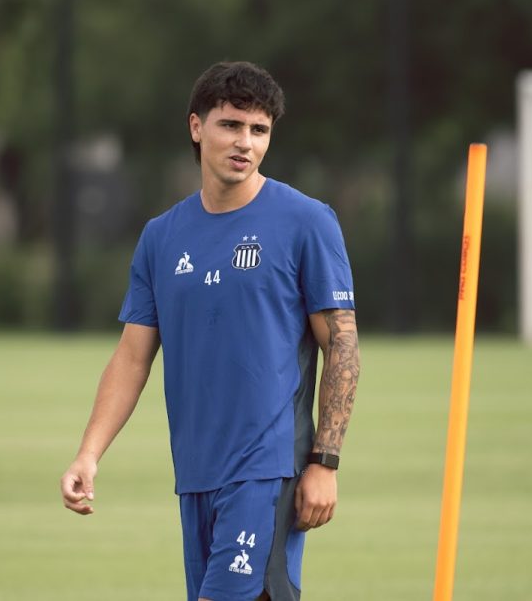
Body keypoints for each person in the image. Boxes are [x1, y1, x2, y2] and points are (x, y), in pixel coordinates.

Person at [60, 60, 361, 601]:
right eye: (231, 125)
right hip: (195, 474)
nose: (245, 142)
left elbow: (342, 346)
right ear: (197, 127)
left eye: (259, 129)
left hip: (268, 470)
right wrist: (89, 453)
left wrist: (324, 462)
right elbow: (131, 358)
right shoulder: (160, 237)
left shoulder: (306, 221)